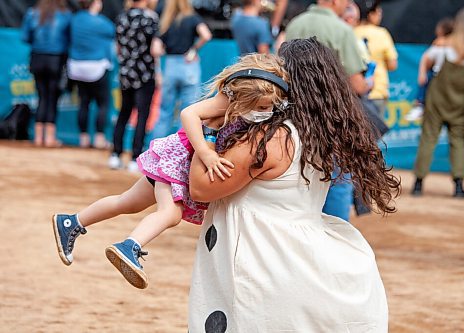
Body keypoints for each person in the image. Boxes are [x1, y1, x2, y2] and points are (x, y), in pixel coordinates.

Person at [187, 37, 400, 331]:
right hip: (302, 261)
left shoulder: (271, 139)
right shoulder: (321, 135)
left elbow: (201, 187)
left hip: (265, 265)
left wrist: (210, 130)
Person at [51, 54, 290, 289]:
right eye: (260, 107)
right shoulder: (227, 100)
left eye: (269, 107)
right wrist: (205, 153)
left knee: (128, 202)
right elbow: (189, 114)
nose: (264, 112)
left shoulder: (264, 101)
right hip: (178, 160)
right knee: (171, 213)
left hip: (180, 161)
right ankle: (130, 246)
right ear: (244, 97)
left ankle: (71, 221)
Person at [285, 0, 371, 221]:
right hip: (333, 118)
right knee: (339, 178)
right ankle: (335, 238)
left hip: (295, 115)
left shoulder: (296, 23)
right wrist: (368, 84)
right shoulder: (342, 30)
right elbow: (357, 83)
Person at [412, 7, 464, 197]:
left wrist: (422, 74)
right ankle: (458, 186)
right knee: (458, 142)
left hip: (436, 100)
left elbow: (428, 60)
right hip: (460, 103)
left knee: (428, 139)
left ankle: (418, 184)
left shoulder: (442, 46)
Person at [109, 0, 161, 172]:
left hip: (126, 73)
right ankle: (135, 157)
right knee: (142, 115)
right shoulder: (151, 19)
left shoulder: (121, 18)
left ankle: (115, 154)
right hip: (145, 74)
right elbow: (155, 50)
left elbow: (118, 48)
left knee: (124, 112)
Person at [149, 0, 212, 140]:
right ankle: (182, 150)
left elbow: (155, 49)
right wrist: (194, 50)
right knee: (189, 113)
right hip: (188, 66)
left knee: (164, 112)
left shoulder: (165, 21)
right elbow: (206, 35)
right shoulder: (192, 18)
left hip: (171, 66)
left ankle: (154, 150)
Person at [21, 0, 71, 147]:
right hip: (56, 59)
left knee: (42, 96)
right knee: (52, 97)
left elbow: (25, 37)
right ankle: (49, 138)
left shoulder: (33, 12)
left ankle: (38, 137)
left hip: (37, 57)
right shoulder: (65, 14)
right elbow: (69, 39)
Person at [68, 0, 115, 149]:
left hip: (76, 67)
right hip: (96, 67)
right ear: (95, 3)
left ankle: (83, 138)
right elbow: (113, 32)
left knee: (84, 102)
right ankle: (99, 139)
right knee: (103, 103)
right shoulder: (101, 22)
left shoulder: (74, 19)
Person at [354, 0, 398, 118]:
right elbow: (392, 64)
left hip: (354, 91)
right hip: (377, 90)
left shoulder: (350, 32)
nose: (380, 15)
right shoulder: (382, 33)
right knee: (375, 133)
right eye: (378, 12)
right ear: (370, 14)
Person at [406, 17, 454, 122]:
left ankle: (420, 104)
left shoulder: (449, 42)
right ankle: (420, 104)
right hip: (437, 75)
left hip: (449, 79)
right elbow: (426, 58)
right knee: (426, 82)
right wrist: (422, 73)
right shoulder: (438, 43)